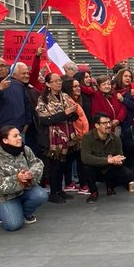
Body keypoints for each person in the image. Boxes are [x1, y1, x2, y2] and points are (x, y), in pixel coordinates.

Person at [0, 126, 47, 231]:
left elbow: (38, 163)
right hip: (6, 196)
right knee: (13, 225)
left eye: (19, 135)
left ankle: (25, 212)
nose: (19, 138)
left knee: (41, 195)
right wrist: (17, 179)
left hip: (26, 190)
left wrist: (31, 174)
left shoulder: (25, 150)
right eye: (15, 136)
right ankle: (2, 213)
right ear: (5, 140)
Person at [35, 72, 80, 203]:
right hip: (52, 136)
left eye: (59, 80)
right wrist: (65, 113)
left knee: (63, 164)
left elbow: (73, 116)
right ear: (48, 84)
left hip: (67, 134)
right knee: (54, 165)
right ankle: (54, 192)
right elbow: (44, 120)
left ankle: (60, 189)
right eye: (55, 81)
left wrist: (72, 113)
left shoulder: (65, 96)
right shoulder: (43, 99)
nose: (58, 83)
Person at [79, 114, 134, 203]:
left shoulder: (115, 138)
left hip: (109, 168)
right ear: (97, 125)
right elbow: (85, 158)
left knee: (129, 175)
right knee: (85, 167)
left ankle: (110, 186)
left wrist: (119, 160)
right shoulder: (88, 137)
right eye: (104, 123)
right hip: (95, 168)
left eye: (109, 122)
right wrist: (107, 160)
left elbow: (120, 155)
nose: (108, 125)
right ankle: (94, 191)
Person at [0, 61, 36, 148]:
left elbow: (27, 105)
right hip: (1, 131)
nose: (0, 68)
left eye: (2, 65)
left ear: (8, 68)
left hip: (20, 130)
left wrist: (26, 124)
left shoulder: (18, 84)